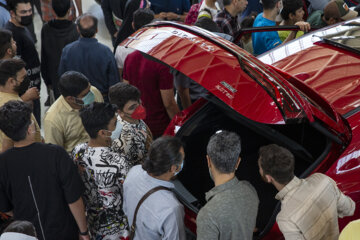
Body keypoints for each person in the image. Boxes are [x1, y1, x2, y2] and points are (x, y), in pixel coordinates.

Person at [0, 100, 89, 240]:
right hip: (63, 230)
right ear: (30, 129)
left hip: (28, 234)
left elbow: (5, 208)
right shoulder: (56, 154)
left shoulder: (3, 162)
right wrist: (83, 231)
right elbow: (73, 198)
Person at [258, 144, 355, 240]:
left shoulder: (285, 218)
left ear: (268, 178)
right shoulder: (322, 180)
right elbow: (349, 209)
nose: (259, 170)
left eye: (259, 168)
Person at [72, 102, 129, 239]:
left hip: (91, 223)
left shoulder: (77, 151)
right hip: (118, 229)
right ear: (103, 132)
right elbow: (129, 194)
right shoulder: (118, 161)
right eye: (115, 123)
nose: (119, 126)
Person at [196, 131, 259, 240]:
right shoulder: (250, 189)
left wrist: (204, 224)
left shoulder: (208, 215)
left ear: (208, 161)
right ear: (238, 162)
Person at [123, 136, 186, 240]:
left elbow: (126, 209)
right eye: (182, 160)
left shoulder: (134, 172)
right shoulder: (172, 208)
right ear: (174, 168)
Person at [59, 14, 120, 100]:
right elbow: (114, 83)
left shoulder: (67, 51)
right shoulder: (106, 52)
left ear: (78, 29)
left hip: (77, 102)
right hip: (102, 100)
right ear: (97, 30)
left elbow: (62, 78)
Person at [44, 71, 103, 153]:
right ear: (70, 98)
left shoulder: (94, 92)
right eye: (85, 95)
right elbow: (54, 153)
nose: (91, 95)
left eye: (89, 89)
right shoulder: (53, 119)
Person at [123, 51, 179, 138]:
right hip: (158, 124)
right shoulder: (162, 63)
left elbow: (125, 91)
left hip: (136, 121)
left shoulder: (130, 57)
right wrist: (178, 125)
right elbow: (169, 103)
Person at [5, 0, 42, 125]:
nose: (28, 14)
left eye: (30, 11)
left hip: (32, 91)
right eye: (23, 12)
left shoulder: (23, 27)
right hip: (25, 96)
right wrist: (24, 96)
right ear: (12, 13)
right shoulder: (11, 35)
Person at [0, 58, 41, 152]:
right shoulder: (14, 109)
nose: (27, 80)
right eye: (24, 77)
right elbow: (7, 148)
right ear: (11, 81)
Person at [41, 0, 79, 100]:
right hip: (74, 78)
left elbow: (44, 57)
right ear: (69, 10)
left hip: (54, 77)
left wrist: (47, 81)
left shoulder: (46, 29)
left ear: (52, 10)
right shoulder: (75, 29)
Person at [109, 82, 153, 167]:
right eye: (132, 107)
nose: (139, 109)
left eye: (139, 102)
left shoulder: (132, 118)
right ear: (120, 112)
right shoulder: (126, 139)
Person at [115, 8, 154, 79]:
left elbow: (120, 74)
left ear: (133, 24)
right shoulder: (160, 47)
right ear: (152, 27)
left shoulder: (121, 48)